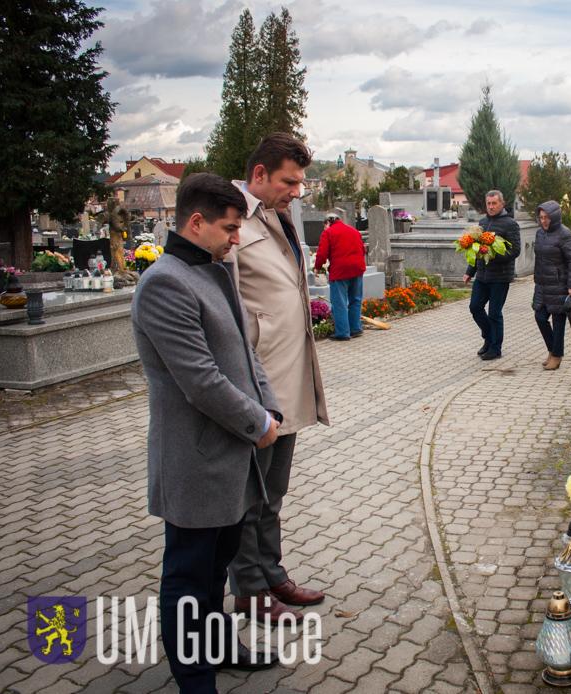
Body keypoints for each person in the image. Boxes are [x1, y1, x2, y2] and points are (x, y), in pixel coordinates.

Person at [132, 173, 282, 692]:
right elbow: (200, 380)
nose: (237, 237)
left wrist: (271, 408)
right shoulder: (165, 282)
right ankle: (194, 678)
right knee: (189, 579)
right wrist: (257, 422)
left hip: (232, 455)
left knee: (218, 569)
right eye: (229, 227)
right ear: (196, 223)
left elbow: (246, 353)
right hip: (196, 460)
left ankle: (216, 647)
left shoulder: (214, 269)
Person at [228, 133, 329, 623]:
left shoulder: (278, 216)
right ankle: (248, 589)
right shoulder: (233, 221)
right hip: (255, 383)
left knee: (274, 491)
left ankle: (272, 574)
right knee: (249, 495)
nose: (297, 190)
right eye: (290, 181)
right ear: (260, 175)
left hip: (288, 378)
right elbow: (221, 309)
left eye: (301, 182)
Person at [462, 190, 521, 360]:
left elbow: (515, 250)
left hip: (500, 277)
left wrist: (494, 254)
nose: (491, 206)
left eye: (494, 203)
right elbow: (476, 250)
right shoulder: (483, 222)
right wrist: (469, 272)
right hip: (482, 276)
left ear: (502, 204)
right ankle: (488, 338)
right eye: (489, 203)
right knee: (475, 307)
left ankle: (495, 348)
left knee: (495, 313)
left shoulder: (510, 224)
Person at [532, 200, 571, 371]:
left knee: (558, 321)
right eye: (541, 217)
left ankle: (557, 355)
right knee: (539, 317)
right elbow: (538, 259)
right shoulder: (539, 234)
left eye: (547, 217)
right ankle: (552, 350)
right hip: (543, 284)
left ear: (554, 217)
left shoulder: (564, 234)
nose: (543, 221)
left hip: (560, 284)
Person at [314, 212, 366, 341]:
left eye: (324, 225)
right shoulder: (354, 231)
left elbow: (321, 253)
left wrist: (318, 266)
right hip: (357, 269)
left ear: (327, 222)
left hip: (340, 271)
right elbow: (363, 249)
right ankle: (355, 329)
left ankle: (342, 333)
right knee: (355, 300)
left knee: (339, 302)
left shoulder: (328, 232)